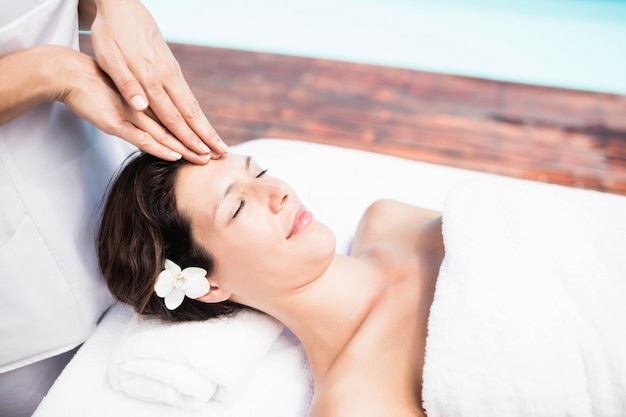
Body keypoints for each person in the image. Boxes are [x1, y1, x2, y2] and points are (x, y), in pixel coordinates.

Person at [0, 1, 227, 415]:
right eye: (237, 205)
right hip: (23, 293)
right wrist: (51, 70)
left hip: (91, 146)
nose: (278, 194)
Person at [97, 151, 445, 416]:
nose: (278, 190)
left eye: (259, 172)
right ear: (209, 286)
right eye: (238, 207)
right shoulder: (359, 400)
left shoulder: (388, 219)